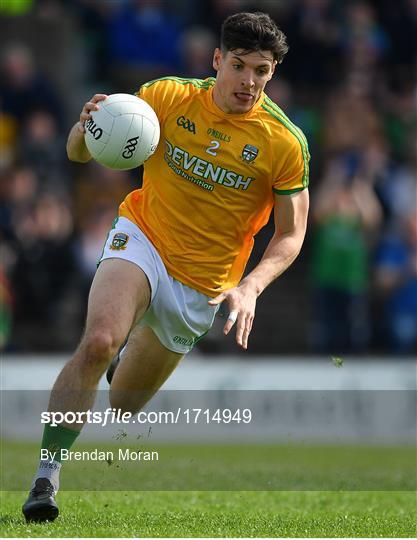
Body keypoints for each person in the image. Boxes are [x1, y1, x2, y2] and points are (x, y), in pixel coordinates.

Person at [22, 11, 310, 522]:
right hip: (144, 239)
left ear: (272, 74)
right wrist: (85, 128)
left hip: (202, 286)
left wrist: (252, 287)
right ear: (217, 60)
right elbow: (78, 153)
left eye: (261, 72)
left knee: (124, 406)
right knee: (97, 341)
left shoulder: (284, 142)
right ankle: (46, 475)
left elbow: (291, 233)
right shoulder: (166, 97)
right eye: (239, 66)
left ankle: (121, 360)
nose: (248, 82)